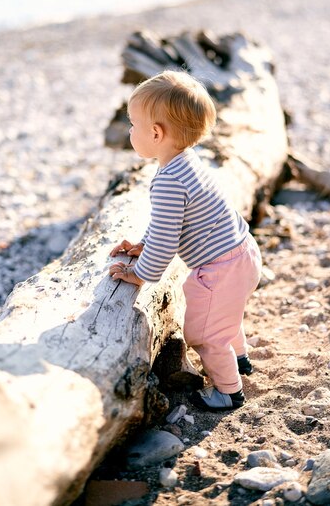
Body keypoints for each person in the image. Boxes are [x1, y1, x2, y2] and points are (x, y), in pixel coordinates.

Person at [109, 70, 262, 412]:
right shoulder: (186, 162)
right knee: (224, 315)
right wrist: (142, 244)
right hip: (242, 254)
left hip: (222, 267)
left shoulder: (168, 182)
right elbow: (166, 226)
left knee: (205, 333)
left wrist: (140, 274)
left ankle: (228, 392)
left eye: (133, 124)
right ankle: (239, 358)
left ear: (156, 133)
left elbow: (166, 241)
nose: (130, 131)